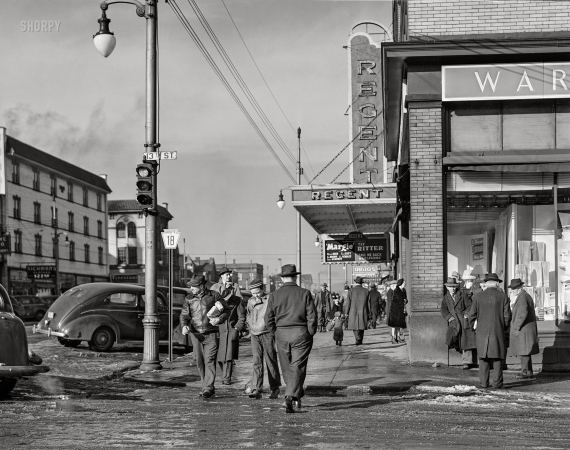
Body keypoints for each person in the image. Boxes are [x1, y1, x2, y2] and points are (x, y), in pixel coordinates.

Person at [265, 264, 317, 413]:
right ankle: (290, 396)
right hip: (301, 333)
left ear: (282, 278)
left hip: (281, 334)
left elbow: (268, 317)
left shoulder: (274, 295)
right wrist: (310, 332)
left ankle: (296, 395)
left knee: (287, 367)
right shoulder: (304, 293)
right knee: (298, 366)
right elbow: (312, 315)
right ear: (295, 277)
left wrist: (275, 332)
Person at [180, 274, 230, 398]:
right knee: (199, 361)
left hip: (211, 333)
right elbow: (184, 315)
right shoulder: (189, 299)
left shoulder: (214, 296)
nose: (191, 288)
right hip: (195, 334)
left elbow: (227, 310)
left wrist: (219, 319)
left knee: (209, 360)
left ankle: (207, 387)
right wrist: (184, 326)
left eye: (193, 286)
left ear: (201, 286)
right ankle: (206, 385)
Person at [468, 273, 512, 389]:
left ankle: (483, 383)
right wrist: (503, 328)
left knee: (483, 358)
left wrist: (475, 328)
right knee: (498, 358)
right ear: (497, 283)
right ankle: (497, 383)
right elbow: (507, 316)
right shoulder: (503, 297)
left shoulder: (477, 296)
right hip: (497, 332)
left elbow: (471, 315)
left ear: (486, 283)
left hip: (481, 332)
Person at [246, 278, 281, 399]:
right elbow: (249, 314)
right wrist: (249, 324)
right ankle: (256, 388)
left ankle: (275, 388)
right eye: (253, 292)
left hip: (267, 333)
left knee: (270, 361)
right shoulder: (250, 301)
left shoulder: (270, 299)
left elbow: (276, 314)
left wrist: (272, 329)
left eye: (257, 292)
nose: (255, 295)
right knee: (256, 361)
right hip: (254, 334)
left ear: (262, 289)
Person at [211, 267, 246, 385]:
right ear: (221, 276)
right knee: (219, 355)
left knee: (229, 354)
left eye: (229, 274)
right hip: (218, 327)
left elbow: (239, 304)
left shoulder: (234, 286)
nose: (228, 276)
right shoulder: (215, 287)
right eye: (226, 274)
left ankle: (227, 377)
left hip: (231, 326)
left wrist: (237, 328)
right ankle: (224, 374)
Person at [506, 278, 539, 379]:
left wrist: (516, 326)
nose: (513, 290)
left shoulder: (522, 297)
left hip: (523, 329)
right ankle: (528, 372)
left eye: (514, 288)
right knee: (525, 351)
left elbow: (522, 314)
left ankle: (526, 372)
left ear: (519, 288)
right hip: (526, 329)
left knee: (524, 351)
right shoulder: (525, 296)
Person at [441, 277, 464, 358]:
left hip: (462, 319)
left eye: (454, 287)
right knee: (452, 332)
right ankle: (455, 346)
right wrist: (449, 318)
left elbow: (468, 306)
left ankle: (461, 349)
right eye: (450, 287)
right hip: (453, 319)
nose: (452, 289)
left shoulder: (461, 295)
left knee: (462, 333)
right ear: (447, 287)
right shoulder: (445, 298)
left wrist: (465, 315)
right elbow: (443, 310)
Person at [458, 273, 477, 369]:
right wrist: (466, 315)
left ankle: (471, 361)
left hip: (474, 317)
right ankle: (467, 361)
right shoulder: (464, 292)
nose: (468, 282)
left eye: (470, 280)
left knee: (471, 339)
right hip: (468, 318)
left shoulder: (475, 290)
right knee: (467, 339)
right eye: (467, 280)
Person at [345, 276, 370, 345]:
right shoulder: (366, 291)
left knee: (354, 325)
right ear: (362, 283)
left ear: (355, 282)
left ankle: (357, 338)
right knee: (362, 325)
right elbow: (368, 303)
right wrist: (369, 312)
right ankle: (360, 339)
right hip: (363, 310)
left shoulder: (351, 290)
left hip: (353, 310)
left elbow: (348, 303)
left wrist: (346, 312)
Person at [386, 279, 407, 344]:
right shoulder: (395, 291)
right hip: (394, 310)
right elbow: (394, 301)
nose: (405, 284)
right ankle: (393, 338)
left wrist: (405, 300)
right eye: (404, 283)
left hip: (400, 309)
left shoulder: (403, 290)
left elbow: (405, 299)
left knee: (398, 325)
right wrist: (403, 300)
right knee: (394, 325)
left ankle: (398, 337)